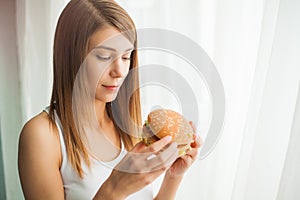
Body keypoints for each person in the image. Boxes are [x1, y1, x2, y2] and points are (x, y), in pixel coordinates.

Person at [18, 0, 202, 199]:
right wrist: (114, 190)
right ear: (71, 57)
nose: (120, 72)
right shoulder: (42, 136)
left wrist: (173, 178)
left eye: (126, 57)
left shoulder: (127, 126)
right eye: (105, 57)